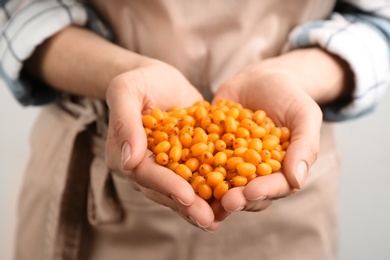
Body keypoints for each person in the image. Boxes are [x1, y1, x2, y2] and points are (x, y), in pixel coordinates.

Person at [1, 0, 389, 259]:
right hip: (92, 171)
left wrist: (293, 76)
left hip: (287, 202)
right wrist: (118, 72)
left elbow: (380, 22)